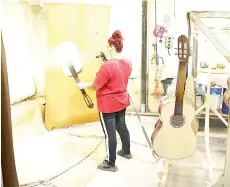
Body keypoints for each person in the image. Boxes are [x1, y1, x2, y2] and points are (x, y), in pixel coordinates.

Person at [77, 30, 132, 172]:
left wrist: (83, 85)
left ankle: (110, 163)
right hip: (122, 101)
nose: (106, 49)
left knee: (109, 134)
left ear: (111, 47)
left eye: (108, 47)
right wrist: (105, 64)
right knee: (122, 126)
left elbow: (96, 86)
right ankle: (126, 151)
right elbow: (116, 76)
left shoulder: (107, 66)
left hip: (108, 104)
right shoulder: (127, 63)